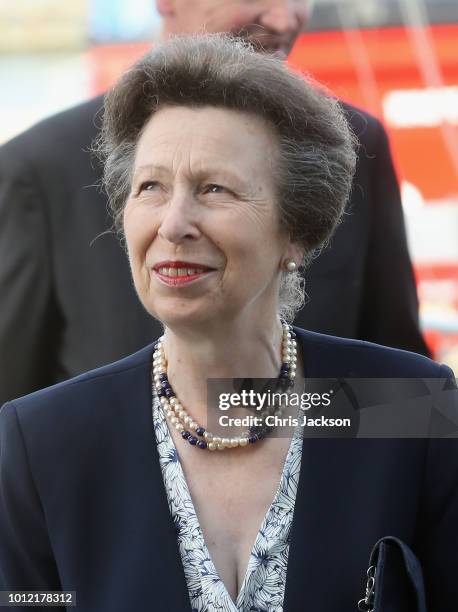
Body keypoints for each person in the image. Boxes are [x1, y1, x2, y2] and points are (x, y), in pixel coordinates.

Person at [0, 36, 456, 612]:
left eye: (214, 189)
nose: (174, 223)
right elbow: (26, 602)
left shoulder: (403, 407)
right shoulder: (44, 439)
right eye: (151, 187)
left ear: (298, 231)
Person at [0, 0, 430, 407]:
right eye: (151, 186)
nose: (284, 18)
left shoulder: (354, 145)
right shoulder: (40, 168)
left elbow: (410, 407)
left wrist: (273, 429)